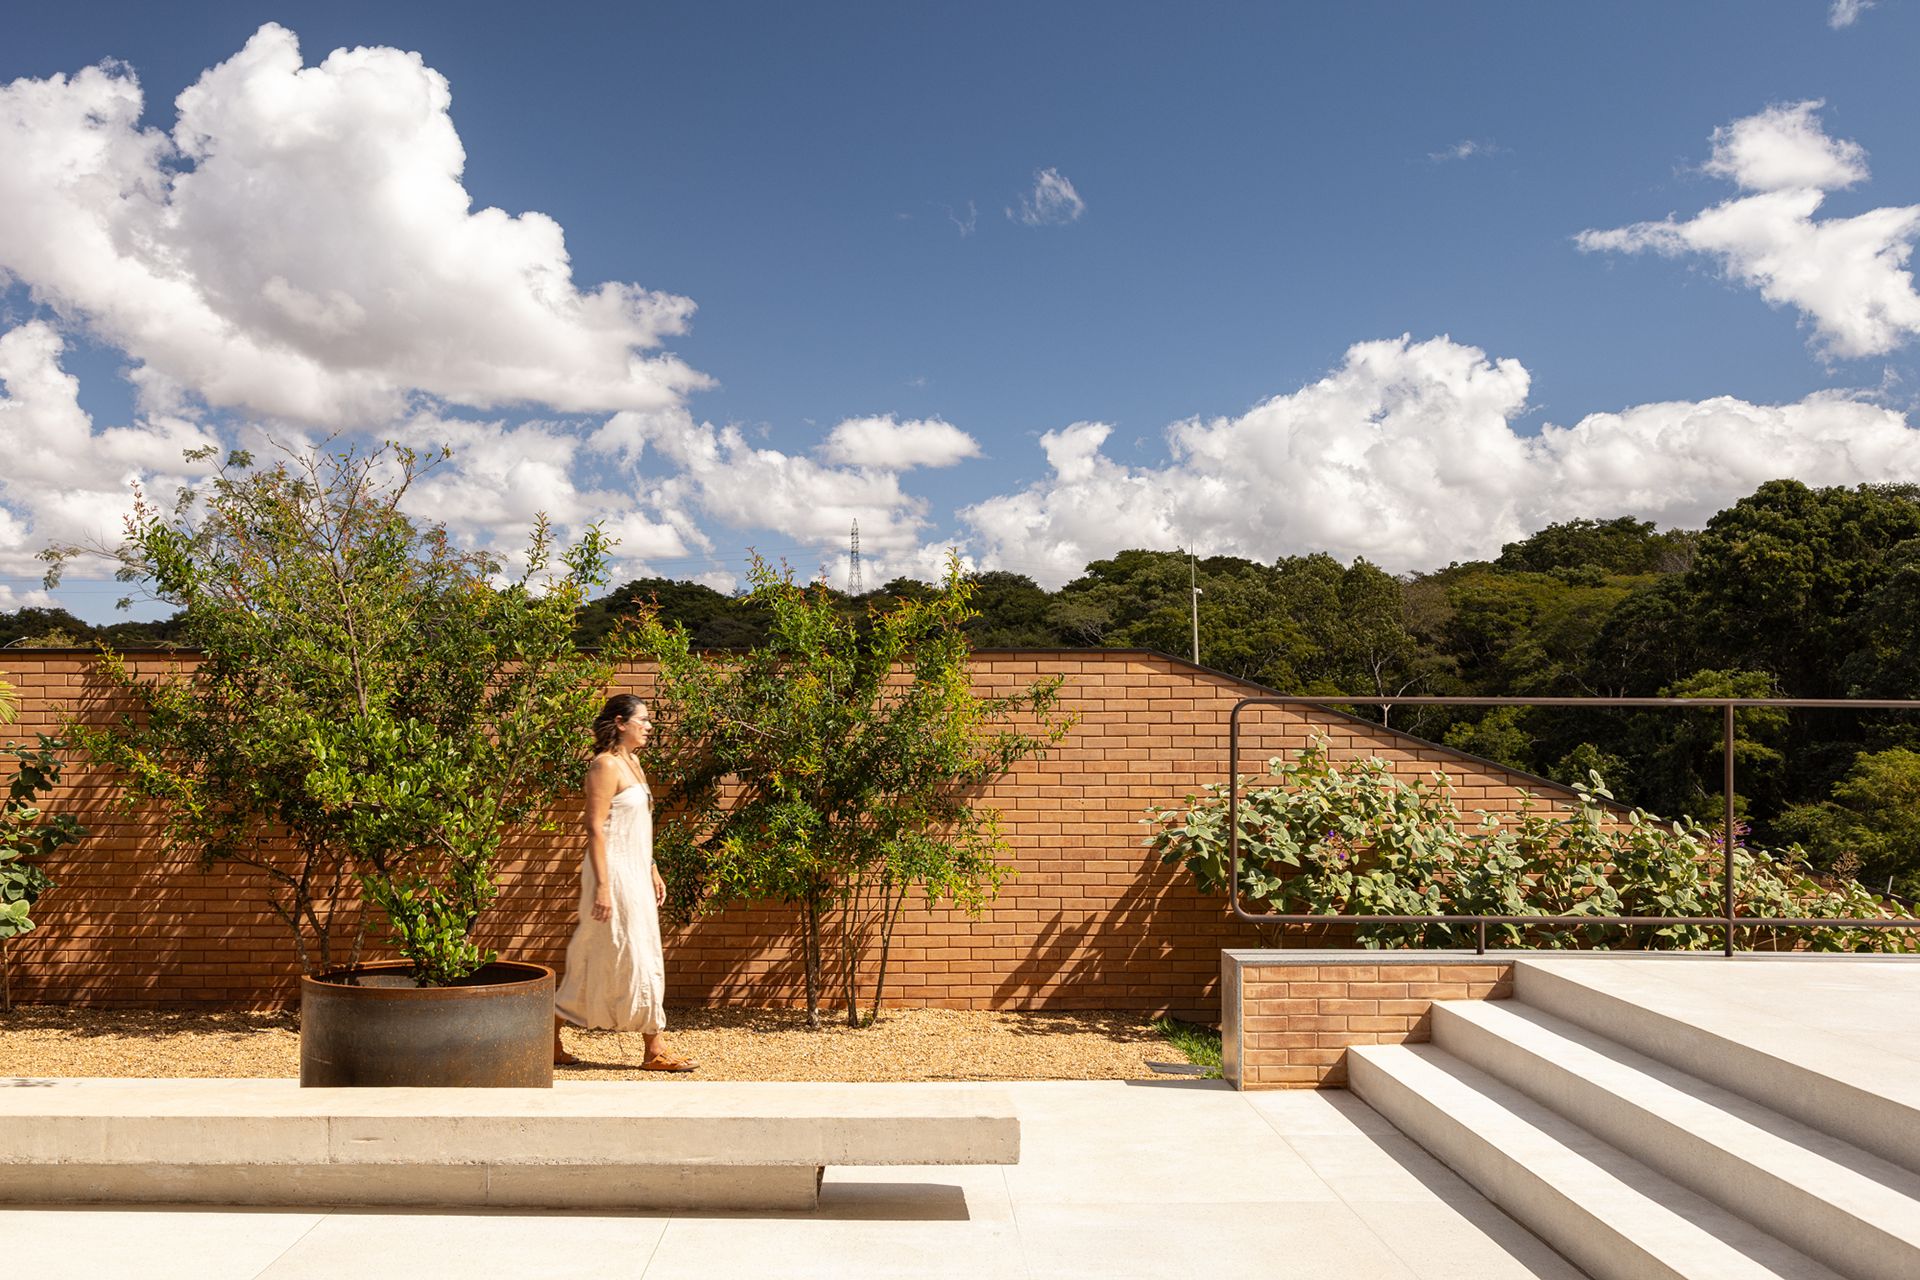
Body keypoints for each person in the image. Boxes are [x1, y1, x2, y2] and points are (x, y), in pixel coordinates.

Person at [553, 694, 696, 1071]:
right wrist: (602, 886)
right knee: (634, 952)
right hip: (612, 873)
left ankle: (547, 1038)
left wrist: (652, 866)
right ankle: (654, 1048)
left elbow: (637, 827)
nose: (649, 726)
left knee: (599, 953)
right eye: (643, 720)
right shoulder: (605, 765)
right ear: (620, 722)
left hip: (635, 871)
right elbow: (595, 828)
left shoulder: (633, 762)